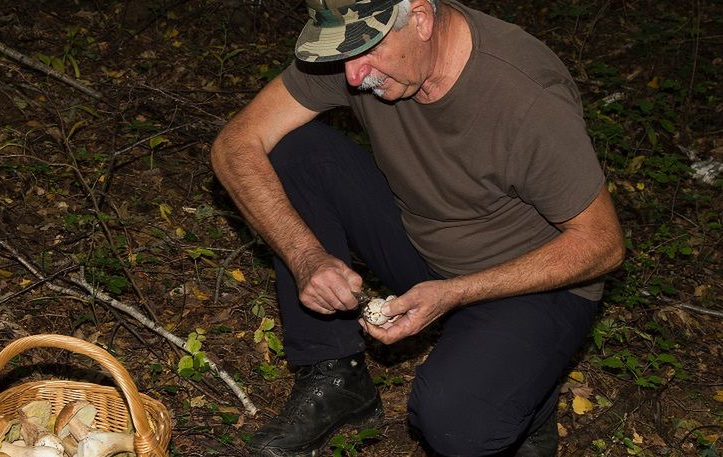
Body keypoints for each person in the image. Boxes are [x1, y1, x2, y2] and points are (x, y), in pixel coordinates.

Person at [210, 0, 625, 455]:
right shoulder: (361, 54)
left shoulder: (525, 95)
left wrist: (455, 293)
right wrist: (305, 255)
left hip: (531, 283)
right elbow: (236, 143)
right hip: (422, 242)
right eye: (341, 55)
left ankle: (529, 399)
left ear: (422, 20)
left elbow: (602, 244)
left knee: (456, 422)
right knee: (293, 150)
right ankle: (335, 376)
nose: (352, 77)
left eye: (365, 52)